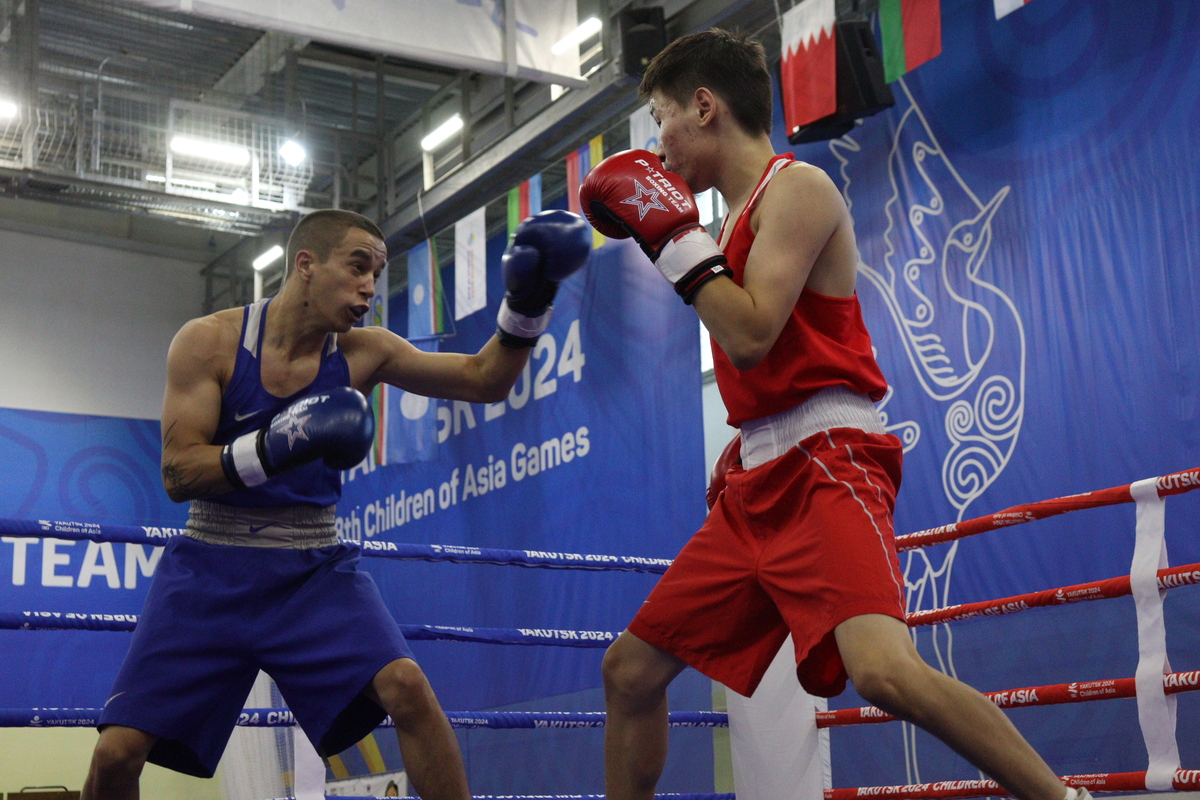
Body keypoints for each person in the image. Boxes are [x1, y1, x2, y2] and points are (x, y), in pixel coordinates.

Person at [580, 29, 1083, 800]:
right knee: (631, 670)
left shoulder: (798, 189)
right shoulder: (719, 230)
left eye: (661, 118)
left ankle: (1063, 799)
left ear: (704, 106)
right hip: (758, 481)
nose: (659, 145)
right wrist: (685, 243)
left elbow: (750, 334)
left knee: (883, 671)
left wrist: (671, 241)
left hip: (827, 464)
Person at [80, 207, 591, 800]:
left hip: (311, 567)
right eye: (357, 266)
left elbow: (484, 378)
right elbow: (177, 470)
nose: (370, 285)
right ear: (306, 265)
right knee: (118, 753)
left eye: (377, 271)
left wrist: (529, 300)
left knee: (408, 689)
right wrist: (274, 447)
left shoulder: (365, 352)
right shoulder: (210, 342)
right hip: (209, 567)